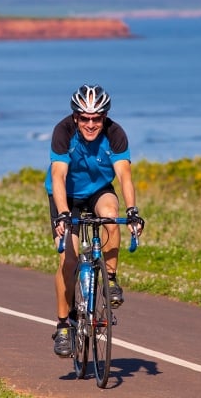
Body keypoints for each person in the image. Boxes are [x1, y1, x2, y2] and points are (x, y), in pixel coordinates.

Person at [45, 84, 144, 357]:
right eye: (85, 118)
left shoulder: (115, 134)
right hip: (66, 195)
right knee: (70, 258)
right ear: (75, 117)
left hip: (99, 190)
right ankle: (64, 325)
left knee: (111, 214)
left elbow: (124, 176)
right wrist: (63, 214)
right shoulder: (63, 131)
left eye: (97, 118)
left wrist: (133, 210)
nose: (91, 124)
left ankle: (110, 279)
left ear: (104, 117)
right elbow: (58, 176)